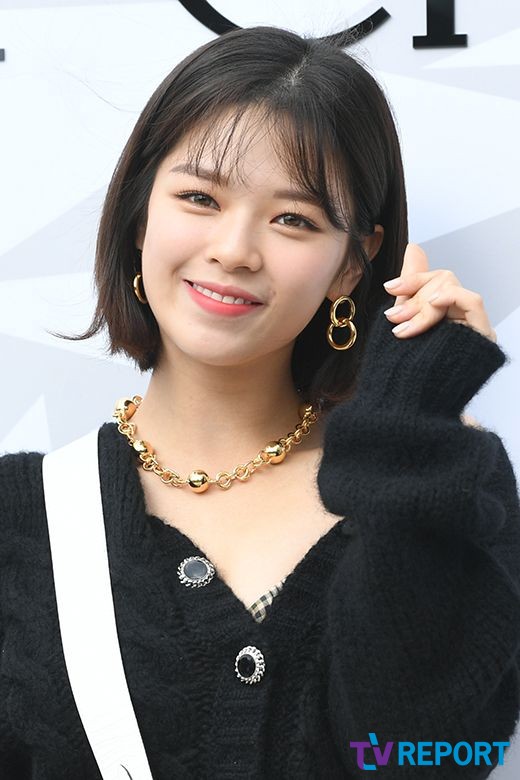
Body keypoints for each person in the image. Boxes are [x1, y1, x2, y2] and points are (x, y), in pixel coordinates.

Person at [1, 24, 519, 780]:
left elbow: (431, 757)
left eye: (293, 220)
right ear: (142, 213)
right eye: (199, 197)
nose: (235, 249)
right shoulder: (21, 515)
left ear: (351, 267)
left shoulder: (437, 483)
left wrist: (411, 420)